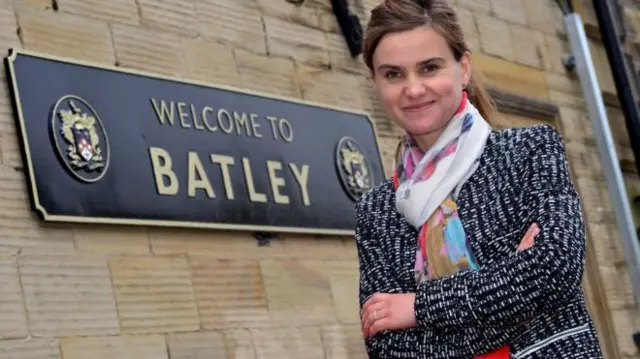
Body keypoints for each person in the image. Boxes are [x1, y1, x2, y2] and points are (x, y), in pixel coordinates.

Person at [354, 0, 605, 358]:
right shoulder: (376, 211)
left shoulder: (529, 150)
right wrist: (515, 287)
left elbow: (556, 268)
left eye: (429, 68)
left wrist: (417, 309)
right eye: (393, 74)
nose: (412, 89)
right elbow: (389, 348)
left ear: (464, 67)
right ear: (376, 83)